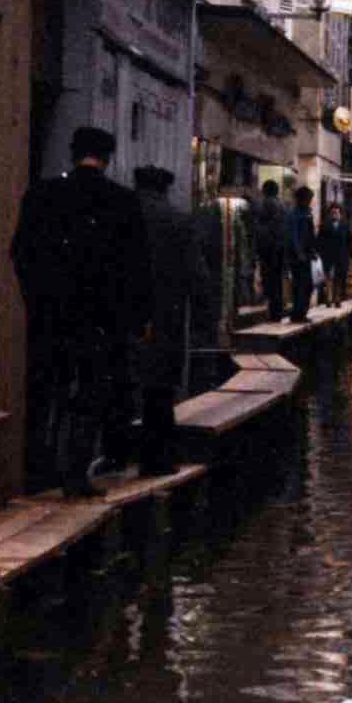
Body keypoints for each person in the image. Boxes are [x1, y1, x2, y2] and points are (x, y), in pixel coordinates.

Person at [10, 126, 151, 498]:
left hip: (51, 314)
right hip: (101, 319)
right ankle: (75, 474)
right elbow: (137, 267)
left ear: (73, 154)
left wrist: (35, 300)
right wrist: (135, 319)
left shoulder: (42, 195)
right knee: (90, 392)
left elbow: (21, 253)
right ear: (108, 158)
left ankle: (37, 471)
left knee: (46, 388)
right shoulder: (122, 201)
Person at [133, 166, 203, 476]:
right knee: (159, 392)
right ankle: (157, 460)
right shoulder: (178, 220)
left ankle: (112, 456)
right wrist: (203, 320)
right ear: (165, 189)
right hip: (166, 317)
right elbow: (197, 275)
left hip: (120, 316)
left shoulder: (120, 215)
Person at [254, 179, 287, 322]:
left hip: (268, 249)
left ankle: (272, 313)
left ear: (265, 191)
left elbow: (261, 228)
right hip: (280, 248)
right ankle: (277, 312)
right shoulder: (282, 205)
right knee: (277, 282)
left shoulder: (266, 204)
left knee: (269, 281)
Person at [287, 186, 316, 323]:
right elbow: (293, 235)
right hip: (298, 256)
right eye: (309, 198)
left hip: (306, 254)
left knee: (308, 285)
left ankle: (301, 312)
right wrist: (298, 252)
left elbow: (310, 234)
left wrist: (313, 251)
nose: (310, 201)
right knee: (300, 285)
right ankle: (297, 313)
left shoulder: (307, 213)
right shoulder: (295, 214)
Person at [317, 202, 352, 308]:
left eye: (336, 213)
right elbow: (320, 240)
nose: (334, 215)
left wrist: (350, 255)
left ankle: (337, 298)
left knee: (339, 277)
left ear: (340, 214)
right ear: (330, 214)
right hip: (328, 255)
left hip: (341, 255)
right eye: (332, 213)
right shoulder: (324, 225)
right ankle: (328, 298)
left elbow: (350, 241)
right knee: (328, 277)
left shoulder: (345, 226)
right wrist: (320, 253)